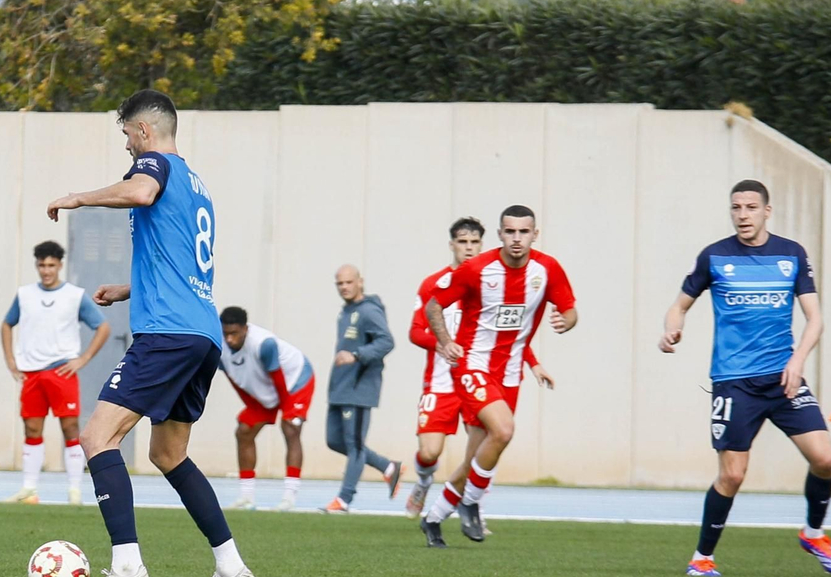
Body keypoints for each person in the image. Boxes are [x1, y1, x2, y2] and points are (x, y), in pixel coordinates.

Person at [45, 89, 256, 577]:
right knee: (168, 453)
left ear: (142, 131)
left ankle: (126, 567)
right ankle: (231, 566)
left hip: (167, 333)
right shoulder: (197, 184)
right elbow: (181, 264)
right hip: (200, 334)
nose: (126, 148)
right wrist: (128, 288)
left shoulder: (156, 165)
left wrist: (77, 198)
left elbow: (138, 193)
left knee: (97, 437)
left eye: (125, 136)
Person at [661, 179, 831, 577]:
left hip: (783, 378)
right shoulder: (715, 257)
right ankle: (702, 557)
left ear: (767, 211)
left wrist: (797, 361)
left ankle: (813, 533)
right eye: (736, 208)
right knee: (732, 474)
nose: (742, 215)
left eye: (750, 207)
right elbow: (678, 306)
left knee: (826, 459)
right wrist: (671, 328)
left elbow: (815, 319)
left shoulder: (791, 254)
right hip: (734, 382)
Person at [421, 206, 575, 547]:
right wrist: (445, 343)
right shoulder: (477, 269)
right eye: (510, 232)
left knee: (475, 457)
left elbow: (569, 308)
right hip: (473, 366)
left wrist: (568, 320)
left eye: (524, 232)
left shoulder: (547, 270)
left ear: (535, 234)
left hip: (509, 375)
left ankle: (432, 519)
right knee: (503, 430)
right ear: (500, 234)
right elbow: (434, 305)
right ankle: (471, 503)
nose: (516, 238)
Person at [1, 240, 112, 506]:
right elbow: (6, 324)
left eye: (51, 265)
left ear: (60, 265)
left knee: (70, 428)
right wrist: (10, 361)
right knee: (31, 427)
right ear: (37, 265)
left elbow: (103, 327)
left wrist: (83, 358)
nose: (46, 270)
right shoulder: (25, 294)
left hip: (62, 372)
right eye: (42, 265)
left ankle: (74, 490)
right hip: (32, 373)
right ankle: (29, 489)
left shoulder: (74, 295)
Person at [320, 265, 401, 514]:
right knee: (334, 441)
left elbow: (387, 341)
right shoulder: (346, 312)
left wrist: (357, 355)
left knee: (355, 444)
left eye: (348, 282)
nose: (344, 287)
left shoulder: (368, 311)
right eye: (339, 284)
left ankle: (344, 499)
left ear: (360, 282)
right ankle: (388, 467)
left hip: (358, 388)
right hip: (340, 387)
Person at [218, 306, 315, 511]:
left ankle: (288, 498)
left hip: (295, 380)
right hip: (266, 386)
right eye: (226, 333)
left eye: (234, 334)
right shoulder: (218, 347)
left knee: (290, 428)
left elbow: (279, 381)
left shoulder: (264, 344)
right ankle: (246, 497)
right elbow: (236, 381)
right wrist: (252, 407)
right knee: (244, 431)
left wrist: (288, 413)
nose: (229, 339)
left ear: (245, 329)